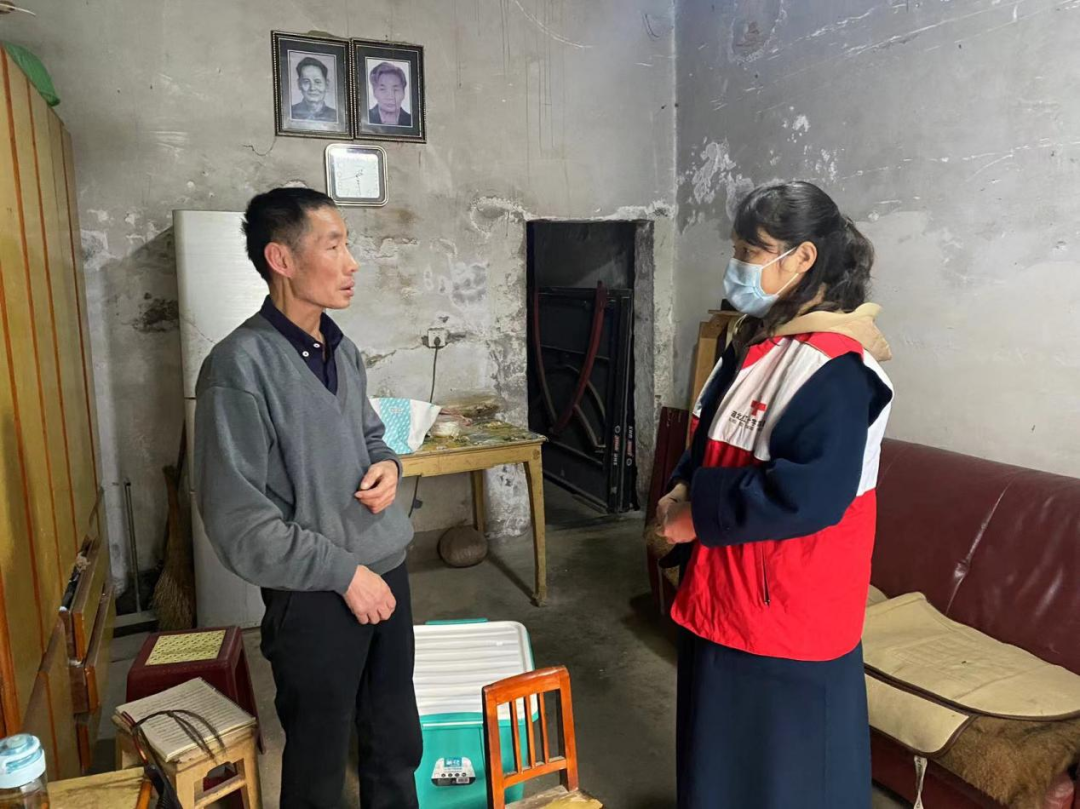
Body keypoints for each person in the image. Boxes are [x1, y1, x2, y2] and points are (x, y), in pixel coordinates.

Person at [658, 181, 894, 809]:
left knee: (787, 777)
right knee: (718, 760)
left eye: (751, 251)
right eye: (736, 249)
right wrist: (681, 484)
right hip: (724, 590)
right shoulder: (753, 341)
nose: (736, 265)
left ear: (803, 257)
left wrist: (696, 517)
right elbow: (713, 432)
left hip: (787, 607)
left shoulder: (837, 367)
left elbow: (810, 494)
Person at [193, 188, 421, 808]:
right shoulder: (238, 368)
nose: (352, 262)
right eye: (334, 245)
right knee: (319, 763)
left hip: (387, 570)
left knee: (395, 743)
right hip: (316, 594)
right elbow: (240, 525)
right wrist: (344, 574)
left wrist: (387, 465)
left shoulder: (342, 350)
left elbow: (370, 435)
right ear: (282, 259)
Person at [291, 56, 338, 123]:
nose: (312, 88)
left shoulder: (336, 116)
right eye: (306, 81)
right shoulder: (290, 112)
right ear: (299, 84)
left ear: (327, 85)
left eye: (317, 82)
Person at [368, 61, 412, 127]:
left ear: (403, 93)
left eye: (395, 90)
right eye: (383, 89)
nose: (390, 97)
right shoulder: (366, 118)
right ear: (374, 92)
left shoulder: (411, 121)